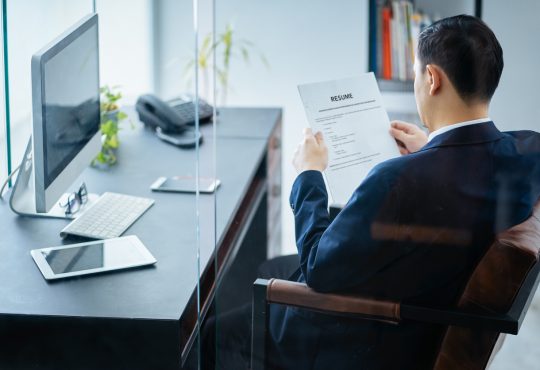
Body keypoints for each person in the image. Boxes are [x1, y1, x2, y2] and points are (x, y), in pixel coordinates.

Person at [203, 14, 540, 370]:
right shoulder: (529, 150)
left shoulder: (397, 180)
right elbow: (471, 177)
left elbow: (318, 270)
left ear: (431, 78)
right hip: (427, 307)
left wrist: (309, 174)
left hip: (369, 337)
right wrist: (432, 149)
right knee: (275, 266)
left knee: (214, 332)